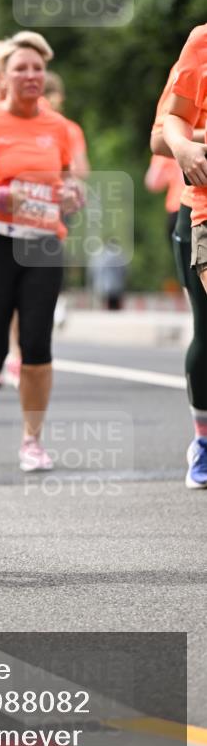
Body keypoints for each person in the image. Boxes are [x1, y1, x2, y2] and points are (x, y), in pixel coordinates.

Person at [0, 32, 82, 471]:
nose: (31, 75)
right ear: (3, 76)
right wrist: (3, 197)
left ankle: (32, 440)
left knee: (36, 344)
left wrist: (71, 195)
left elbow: (77, 181)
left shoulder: (63, 129)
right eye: (21, 68)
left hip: (44, 242)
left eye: (37, 68)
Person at [157, 26, 207, 489]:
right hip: (196, 207)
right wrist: (190, 145)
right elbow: (163, 135)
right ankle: (203, 437)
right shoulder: (198, 49)